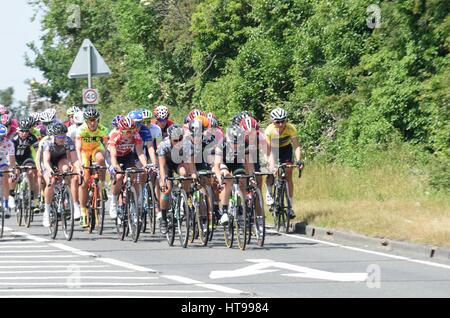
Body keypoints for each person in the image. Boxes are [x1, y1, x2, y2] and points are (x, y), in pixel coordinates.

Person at [38, 122, 81, 227]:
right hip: (47, 161)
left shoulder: (68, 141)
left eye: (64, 135)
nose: (62, 138)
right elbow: (46, 161)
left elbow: (75, 159)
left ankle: (67, 195)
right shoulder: (47, 142)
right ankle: (47, 212)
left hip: (61, 158)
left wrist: (79, 169)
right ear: (53, 136)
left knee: (67, 170)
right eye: (59, 136)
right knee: (51, 181)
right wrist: (49, 170)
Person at [157, 124, 197, 234]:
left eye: (180, 139)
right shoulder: (163, 145)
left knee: (185, 173)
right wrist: (163, 180)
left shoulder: (187, 144)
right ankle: (164, 218)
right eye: (175, 140)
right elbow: (161, 166)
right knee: (166, 189)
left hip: (179, 163)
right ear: (170, 138)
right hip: (167, 165)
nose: (178, 142)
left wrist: (193, 176)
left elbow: (191, 165)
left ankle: (184, 196)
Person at [264, 107, 303, 219]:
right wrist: (272, 165)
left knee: (289, 174)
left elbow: (296, 146)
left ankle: (290, 206)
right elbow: (268, 151)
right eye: (277, 122)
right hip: (273, 150)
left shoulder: (291, 128)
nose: (281, 124)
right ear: (273, 122)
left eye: (283, 121)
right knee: (271, 172)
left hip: (286, 150)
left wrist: (299, 160)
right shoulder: (269, 131)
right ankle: (269, 193)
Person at [107, 116, 148, 219]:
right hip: (114, 156)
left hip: (127, 155)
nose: (129, 134)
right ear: (121, 130)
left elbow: (140, 153)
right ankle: (114, 203)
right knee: (119, 177)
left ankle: (134, 203)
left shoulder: (136, 135)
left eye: (131, 131)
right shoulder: (115, 136)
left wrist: (145, 165)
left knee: (134, 174)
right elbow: (113, 155)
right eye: (126, 132)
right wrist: (116, 167)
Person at [76, 107, 109, 227]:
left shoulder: (103, 130)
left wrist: (103, 159)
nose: (93, 122)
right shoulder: (81, 130)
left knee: (101, 158)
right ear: (86, 121)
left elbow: (106, 148)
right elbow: (78, 149)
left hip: (96, 150)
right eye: (90, 120)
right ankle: (83, 211)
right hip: (84, 152)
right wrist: (81, 163)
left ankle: (102, 185)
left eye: (95, 120)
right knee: (84, 181)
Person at [10, 117, 40, 211]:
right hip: (14, 157)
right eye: (22, 131)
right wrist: (13, 166)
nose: (24, 133)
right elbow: (10, 153)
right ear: (18, 130)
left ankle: (34, 200)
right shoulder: (13, 138)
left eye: (26, 131)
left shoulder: (32, 137)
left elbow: (38, 151)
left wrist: (39, 163)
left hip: (26, 157)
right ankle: (11, 194)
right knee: (15, 173)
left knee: (31, 172)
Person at [0, 124, 16, 219]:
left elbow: (12, 160)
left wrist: (12, 170)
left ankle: (6, 205)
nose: (0, 140)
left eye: (2, 137)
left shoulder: (9, 143)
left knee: (5, 176)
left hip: (2, 160)